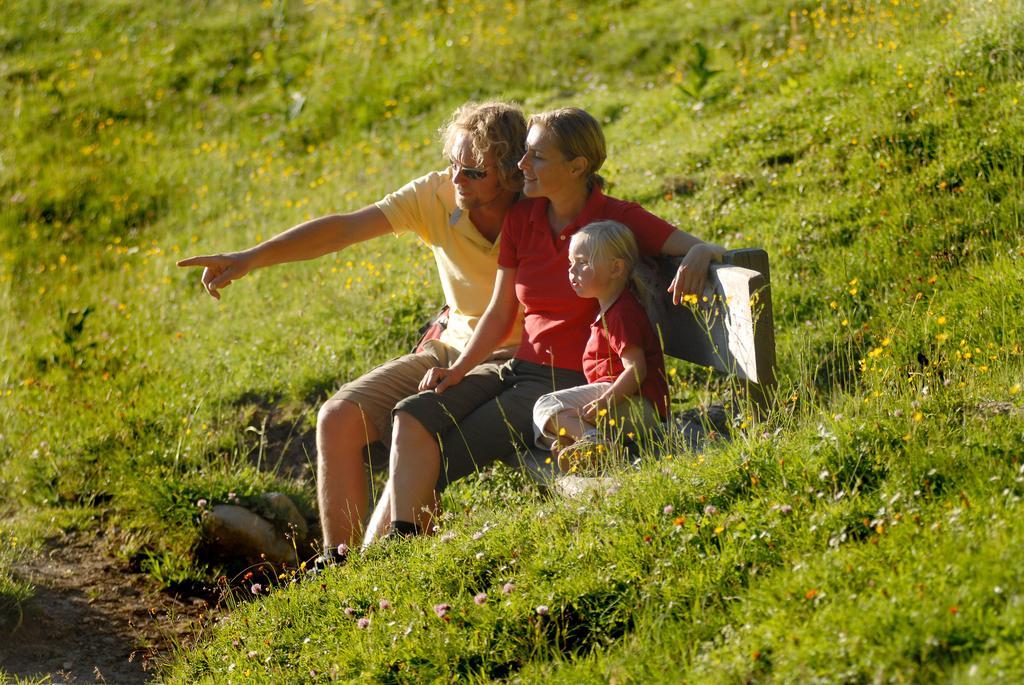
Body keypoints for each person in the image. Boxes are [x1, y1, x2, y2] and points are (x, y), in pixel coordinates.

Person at [177, 101, 529, 561]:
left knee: (413, 427)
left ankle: (381, 568)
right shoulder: (436, 195)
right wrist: (250, 258)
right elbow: (343, 230)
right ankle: (337, 564)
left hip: (515, 360)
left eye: (473, 172)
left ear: (509, 172)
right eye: (451, 164)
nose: (455, 179)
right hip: (450, 348)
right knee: (337, 418)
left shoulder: (538, 208)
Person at [369, 107, 725, 541]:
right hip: (519, 369)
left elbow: (701, 246)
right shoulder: (523, 219)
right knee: (412, 413)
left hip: (568, 381)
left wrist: (701, 253)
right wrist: (457, 370)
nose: (522, 166)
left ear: (577, 166)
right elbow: (501, 313)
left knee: (438, 454)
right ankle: (384, 552)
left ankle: (395, 552)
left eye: (536, 157)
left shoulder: (614, 220)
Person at [531, 219, 669, 473]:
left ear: (616, 268)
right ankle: (577, 446)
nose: (572, 271)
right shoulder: (609, 310)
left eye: (582, 263)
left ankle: (596, 444)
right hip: (627, 404)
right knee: (557, 415)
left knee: (546, 405)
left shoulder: (622, 314)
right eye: (571, 263)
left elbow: (636, 370)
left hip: (636, 406)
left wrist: (605, 401)